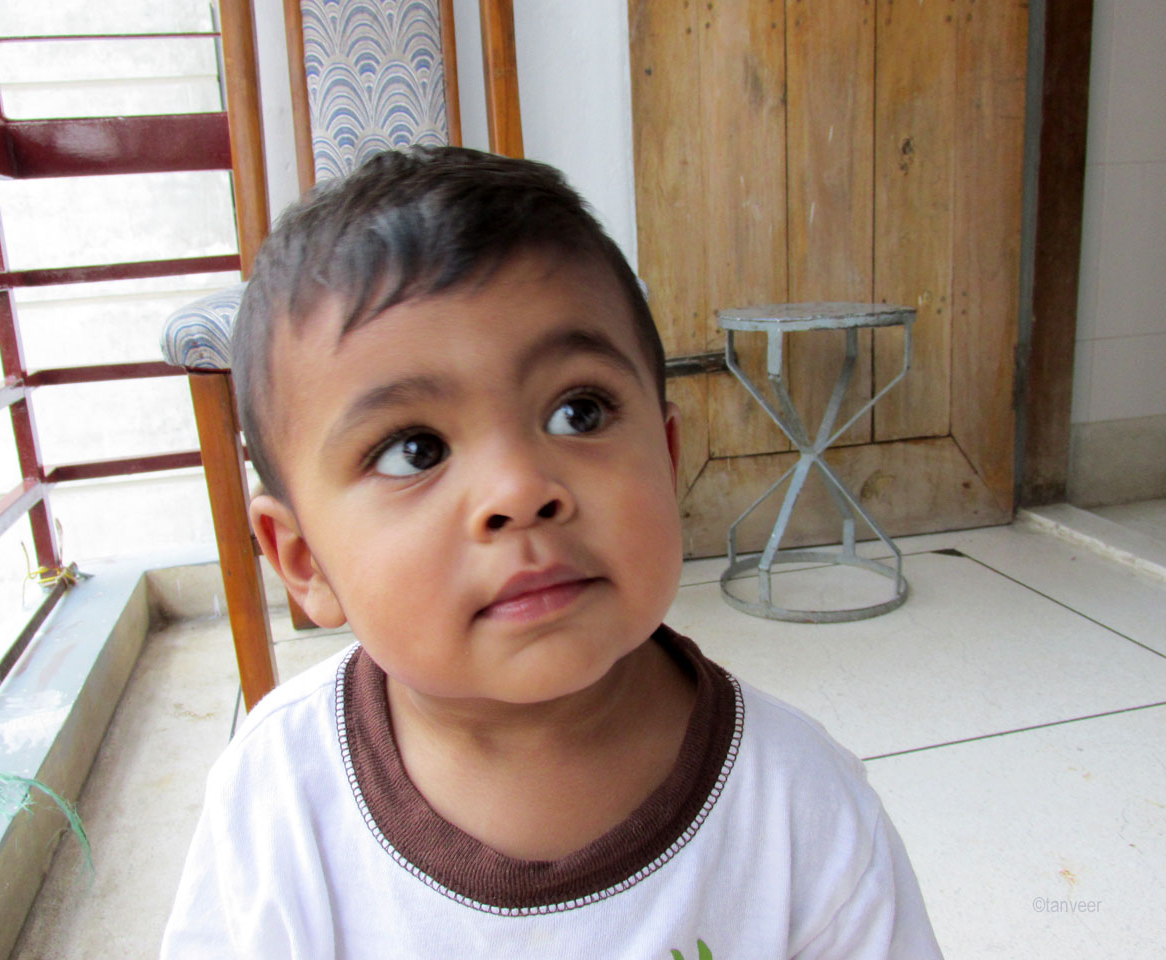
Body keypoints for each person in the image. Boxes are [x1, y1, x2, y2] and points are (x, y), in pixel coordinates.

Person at [160, 146, 942, 959]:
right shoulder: (277, 799)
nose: (520, 489)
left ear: (669, 458)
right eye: (414, 451)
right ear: (303, 562)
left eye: (579, 411)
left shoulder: (801, 809)